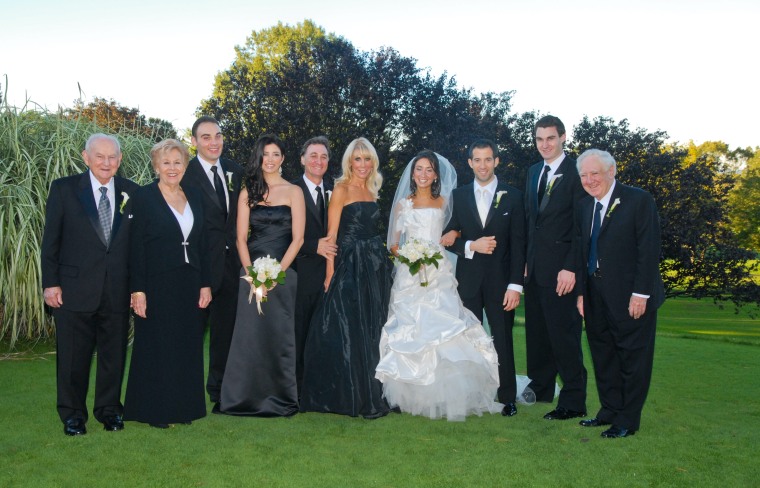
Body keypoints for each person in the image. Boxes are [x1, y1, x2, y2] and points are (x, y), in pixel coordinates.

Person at [376, 150, 503, 421]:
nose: (423, 174)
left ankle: (448, 393)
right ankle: (409, 393)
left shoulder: (446, 201)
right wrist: (410, 256)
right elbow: (394, 244)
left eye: (429, 170)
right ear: (413, 173)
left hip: (439, 272)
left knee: (445, 327)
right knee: (411, 329)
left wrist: (452, 234)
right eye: (419, 169)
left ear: (436, 175)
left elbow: (456, 228)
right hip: (410, 274)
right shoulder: (403, 205)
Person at [41, 133, 138, 436]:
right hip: (73, 291)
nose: (106, 162)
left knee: (114, 357)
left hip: (117, 292)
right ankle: (72, 416)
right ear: (86, 157)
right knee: (73, 359)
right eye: (100, 156)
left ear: (120, 160)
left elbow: (137, 247)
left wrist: (137, 289)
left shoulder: (132, 193)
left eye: (112, 157)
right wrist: (51, 283)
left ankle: (109, 411)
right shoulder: (64, 189)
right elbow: (50, 242)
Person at [300, 137, 394, 419]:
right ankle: (349, 392)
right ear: (349, 162)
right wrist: (330, 273)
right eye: (357, 159)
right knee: (347, 328)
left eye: (367, 159)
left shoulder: (372, 190)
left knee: (372, 327)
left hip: (374, 267)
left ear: (372, 162)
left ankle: (372, 388)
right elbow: (331, 236)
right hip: (349, 265)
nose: (363, 164)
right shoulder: (340, 190)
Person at [575, 149, 664, 438]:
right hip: (595, 295)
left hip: (631, 297)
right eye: (584, 175)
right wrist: (581, 294)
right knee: (603, 355)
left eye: (594, 173)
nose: (589, 180)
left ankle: (627, 419)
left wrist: (641, 294)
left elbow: (648, 250)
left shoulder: (638, 200)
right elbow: (584, 253)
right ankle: (609, 411)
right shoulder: (585, 206)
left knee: (632, 358)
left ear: (611, 171)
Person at [124, 139, 211, 428]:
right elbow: (135, 247)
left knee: (186, 344)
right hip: (156, 282)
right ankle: (156, 411)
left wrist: (205, 283)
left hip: (190, 281)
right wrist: (138, 289)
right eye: (166, 162)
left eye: (177, 162)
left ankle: (183, 408)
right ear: (156, 166)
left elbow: (203, 244)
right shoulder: (144, 197)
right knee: (157, 346)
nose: (172, 168)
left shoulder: (195, 196)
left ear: (185, 165)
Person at [219, 134, 305, 416]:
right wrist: (252, 275)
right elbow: (241, 238)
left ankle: (280, 398)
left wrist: (276, 274)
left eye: (276, 154)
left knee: (279, 336)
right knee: (249, 337)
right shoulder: (247, 192)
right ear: (259, 158)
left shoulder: (294, 192)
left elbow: (299, 239)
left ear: (283, 158)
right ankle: (242, 398)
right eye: (265, 154)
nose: (270, 159)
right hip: (250, 272)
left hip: (283, 273)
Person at [442, 139, 526, 417]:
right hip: (468, 280)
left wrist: (515, 285)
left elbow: (519, 244)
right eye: (477, 160)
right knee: (468, 339)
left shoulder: (513, 196)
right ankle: (472, 394)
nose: (482, 165)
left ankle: (507, 397)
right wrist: (470, 246)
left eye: (487, 159)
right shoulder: (458, 195)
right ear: (469, 163)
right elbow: (449, 236)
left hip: (502, 282)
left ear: (497, 161)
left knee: (501, 338)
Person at [523, 116, 588, 420]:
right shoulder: (534, 172)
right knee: (538, 333)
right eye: (539, 139)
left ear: (563, 137)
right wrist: (525, 260)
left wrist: (571, 267)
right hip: (535, 269)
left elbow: (582, 226)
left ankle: (573, 400)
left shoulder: (577, 173)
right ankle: (542, 387)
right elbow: (530, 223)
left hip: (562, 271)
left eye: (550, 138)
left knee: (564, 335)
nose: (544, 145)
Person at [184, 116, 243, 408]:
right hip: (197, 267)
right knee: (191, 333)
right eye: (206, 137)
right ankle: (186, 392)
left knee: (226, 334)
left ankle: (220, 393)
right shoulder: (184, 173)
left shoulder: (235, 170)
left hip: (232, 268)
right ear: (194, 141)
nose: (214, 142)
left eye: (217, 136)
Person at [291, 136, 337, 396]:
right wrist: (313, 245)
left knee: (323, 335)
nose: (318, 161)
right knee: (298, 334)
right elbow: (282, 233)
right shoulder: (291, 190)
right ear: (302, 159)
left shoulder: (336, 191)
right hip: (300, 274)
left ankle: (319, 389)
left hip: (330, 275)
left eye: (323, 156)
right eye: (313, 155)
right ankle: (297, 390)